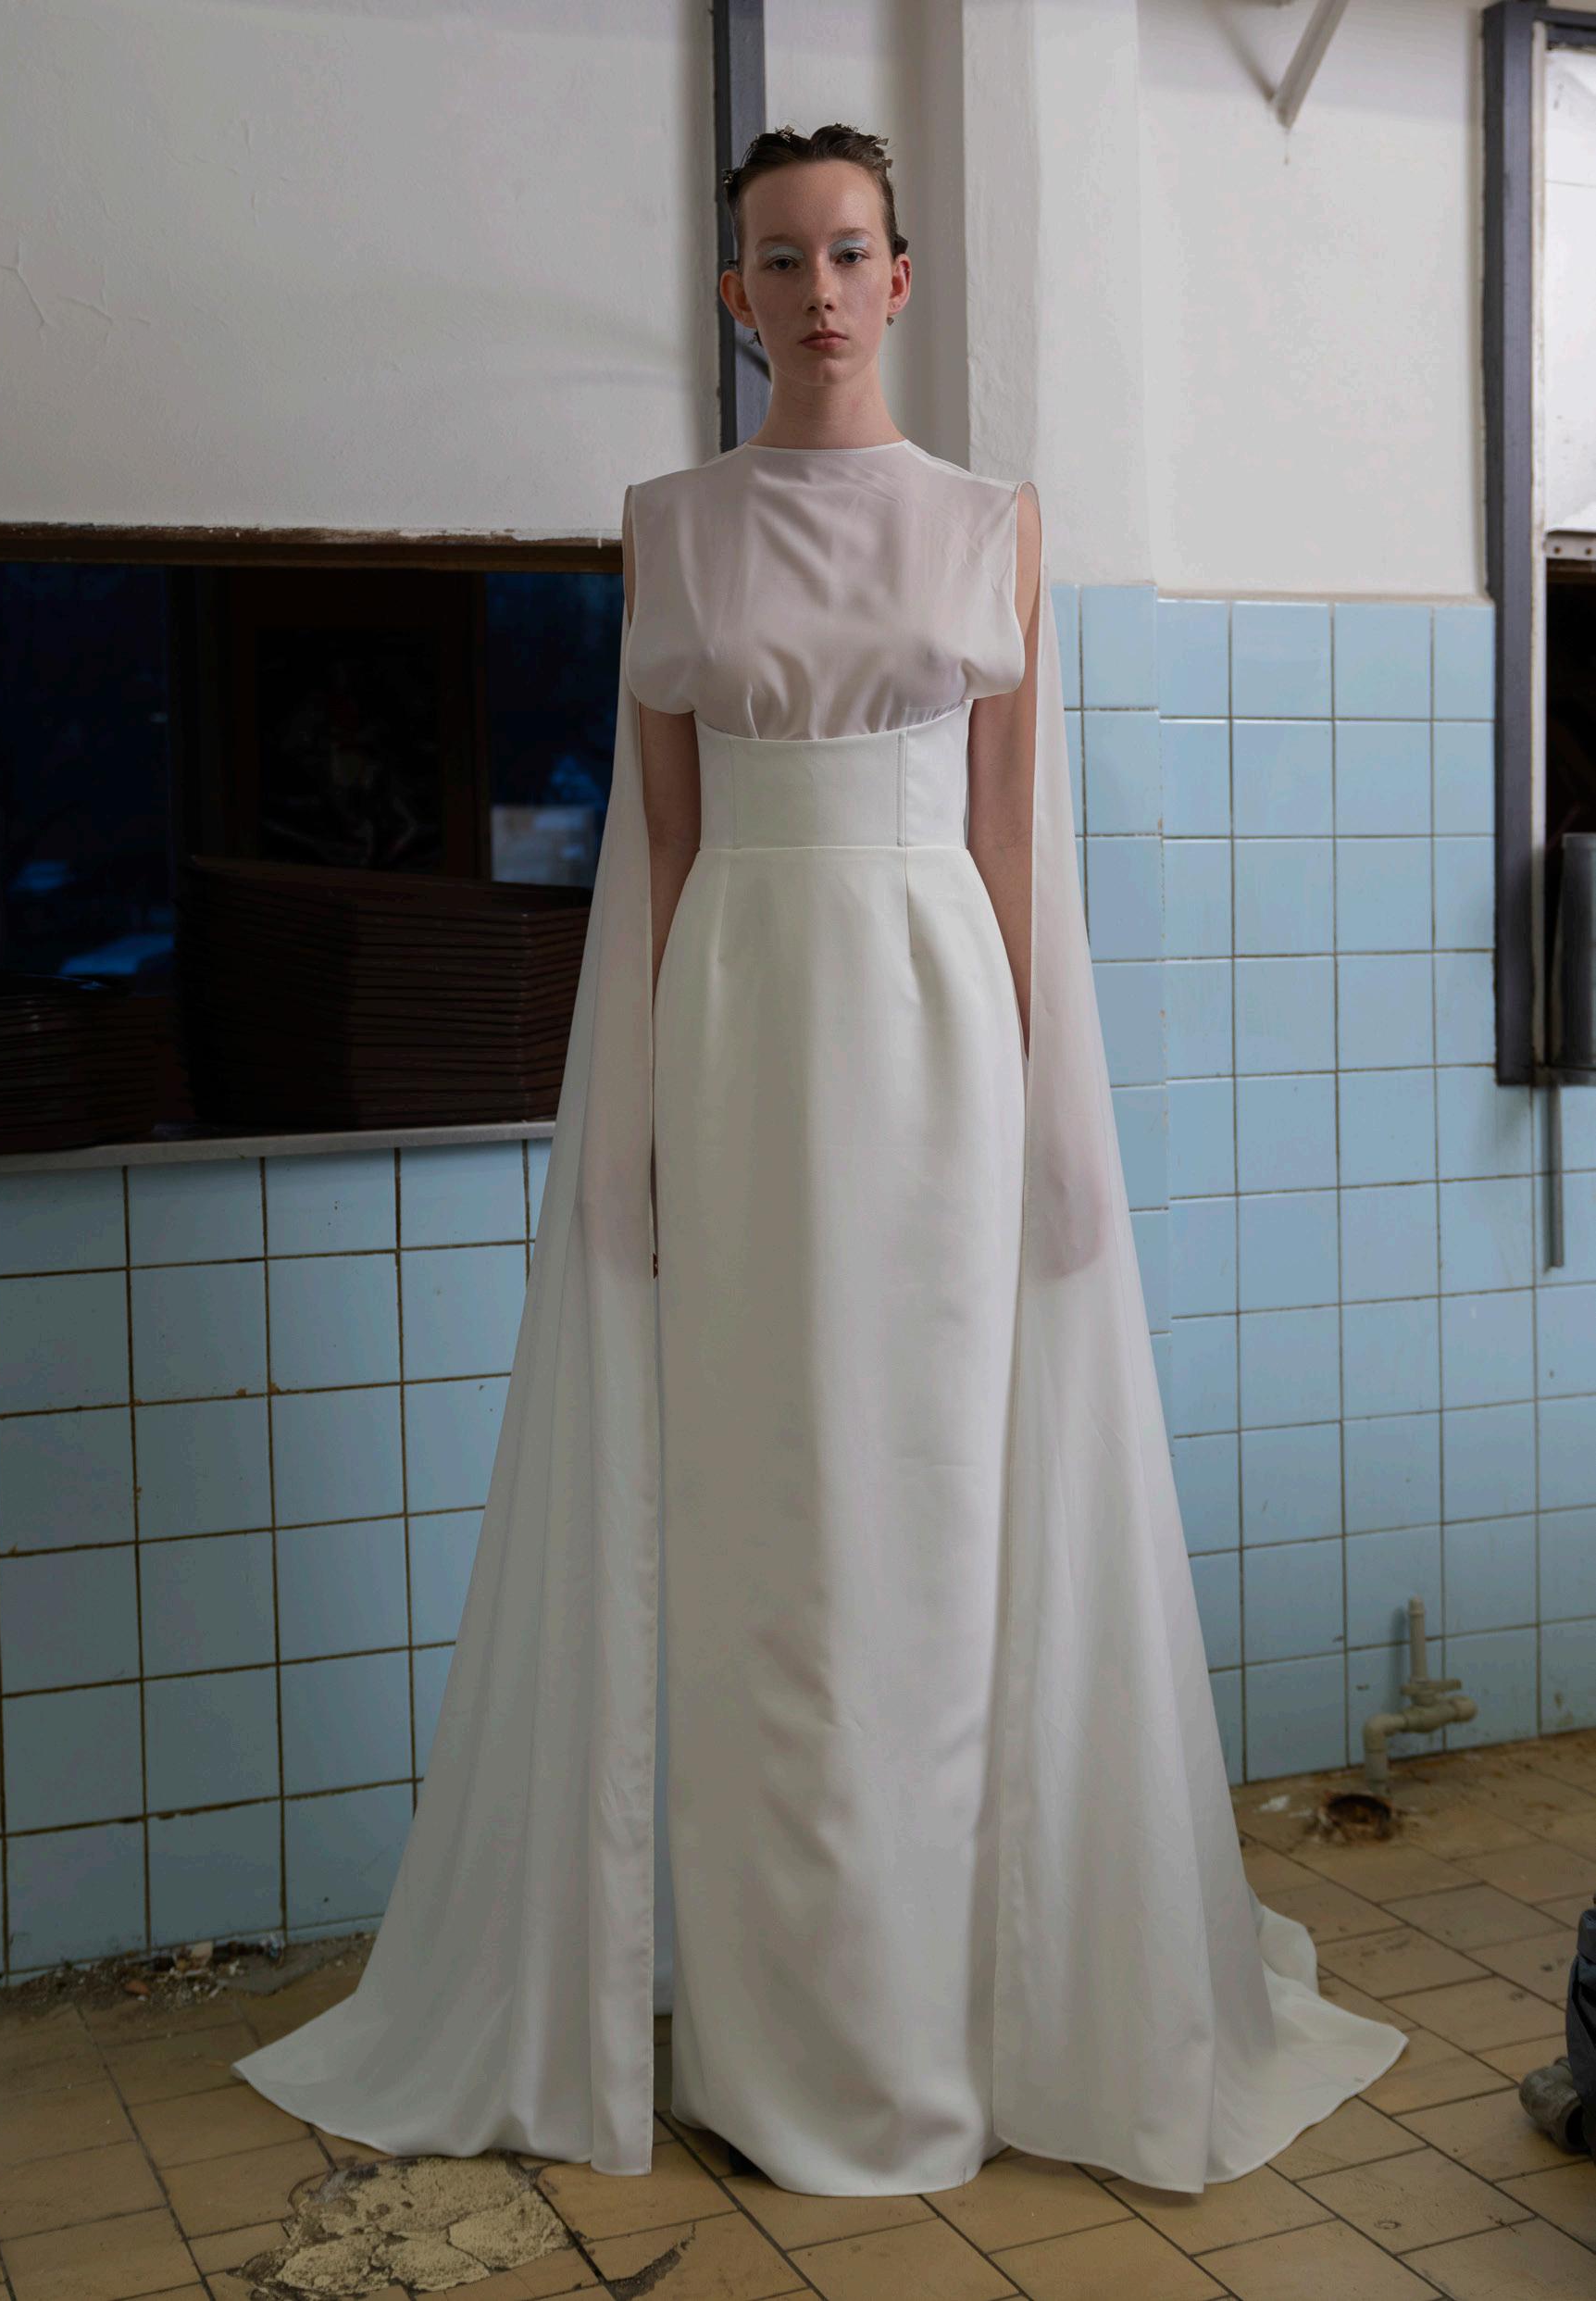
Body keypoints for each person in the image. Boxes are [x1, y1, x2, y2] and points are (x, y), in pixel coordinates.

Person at [234, 121, 1408, 2200]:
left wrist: (1056, 1125)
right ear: (736, 296)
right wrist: (634, 1134)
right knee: (764, 1517)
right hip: (742, 1030)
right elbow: (664, 849)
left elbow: (1008, 837)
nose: (816, 289)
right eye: (777, 259)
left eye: (848, 250)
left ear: (898, 277)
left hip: (939, 1030)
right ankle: (775, 2030)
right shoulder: (670, 527)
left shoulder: (989, 523)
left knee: (937, 1509)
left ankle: (957, 2017)